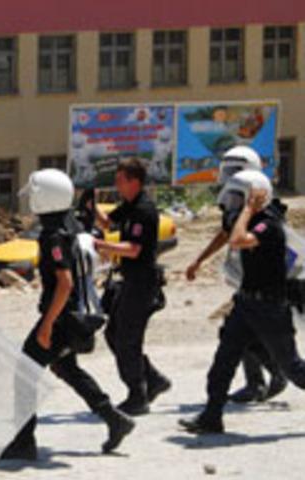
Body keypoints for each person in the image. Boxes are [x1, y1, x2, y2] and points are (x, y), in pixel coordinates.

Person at [0, 169, 134, 460]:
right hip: (76, 316)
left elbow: (65, 283)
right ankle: (114, 419)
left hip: (62, 318)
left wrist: (46, 326)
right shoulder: (73, 227)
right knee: (66, 368)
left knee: (24, 372)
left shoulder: (53, 235)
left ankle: (23, 442)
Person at [180, 170, 305, 434]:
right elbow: (227, 233)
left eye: (240, 197)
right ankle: (211, 417)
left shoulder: (268, 225)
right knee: (223, 361)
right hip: (246, 304)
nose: (234, 203)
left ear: (255, 198)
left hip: (270, 308)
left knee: (293, 368)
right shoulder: (247, 220)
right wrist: (198, 261)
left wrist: (249, 210)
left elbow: (237, 240)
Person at [186, 146, 287, 403]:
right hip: (246, 278)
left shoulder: (266, 209)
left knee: (248, 334)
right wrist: (199, 260)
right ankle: (263, 379)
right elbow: (226, 233)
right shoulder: (237, 201)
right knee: (238, 332)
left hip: (266, 284)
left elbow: (242, 238)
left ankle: (273, 374)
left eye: (235, 170)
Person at [93, 158, 171, 415]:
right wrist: (91, 207)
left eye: (120, 180)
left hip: (142, 283)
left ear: (134, 182)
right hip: (130, 281)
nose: (116, 185)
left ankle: (137, 394)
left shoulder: (144, 210)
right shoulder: (130, 205)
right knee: (113, 333)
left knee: (128, 338)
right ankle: (153, 379)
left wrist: (101, 247)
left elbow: (134, 249)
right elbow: (108, 222)